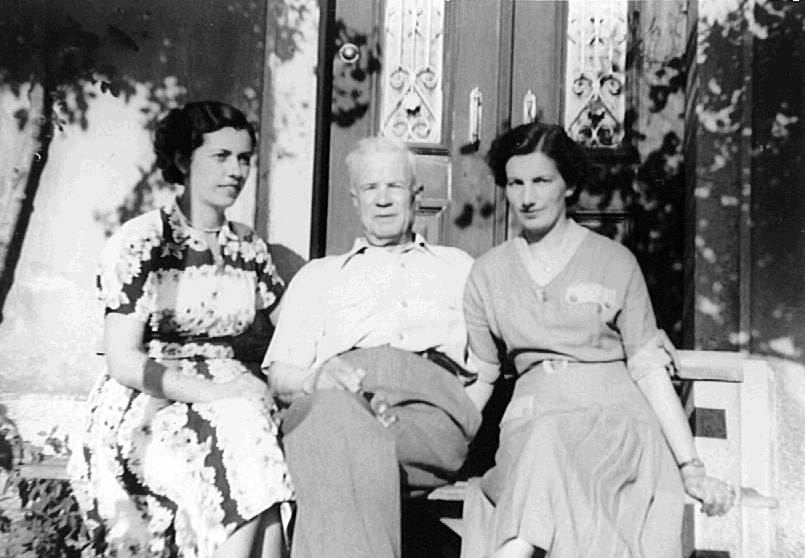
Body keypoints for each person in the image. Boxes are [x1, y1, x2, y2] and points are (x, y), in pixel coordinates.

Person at [460, 123, 735, 558]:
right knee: (543, 442)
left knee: (548, 447)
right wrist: (442, 447)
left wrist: (691, 466)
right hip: (531, 424)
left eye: (541, 181)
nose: (527, 197)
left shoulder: (613, 260)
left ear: (568, 186)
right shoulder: (487, 274)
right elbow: (483, 377)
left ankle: (515, 547)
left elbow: (646, 366)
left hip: (615, 426)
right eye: (515, 183)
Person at [68, 101, 294, 558]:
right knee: (247, 443)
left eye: (245, 158)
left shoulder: (248, 247)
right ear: (182, 161)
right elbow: (123, 360)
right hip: (149, 401)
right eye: (221, 156)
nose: (236, 170)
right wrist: (216, 394)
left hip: (231, 399)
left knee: (256, 456)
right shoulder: (143, 242)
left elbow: (291, 327)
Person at [262, 136, 485, 558]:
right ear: (354, 199)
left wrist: (467, 410)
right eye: (370, 188)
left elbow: (497, 357)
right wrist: (315, 378)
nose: (382, 200)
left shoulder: (460, 269)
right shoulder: (317, 277)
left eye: (394, 187)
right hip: (339, 400)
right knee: (336, 424)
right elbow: (280, 376)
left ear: (417, 195)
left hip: (426, 412)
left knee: (331, 443)